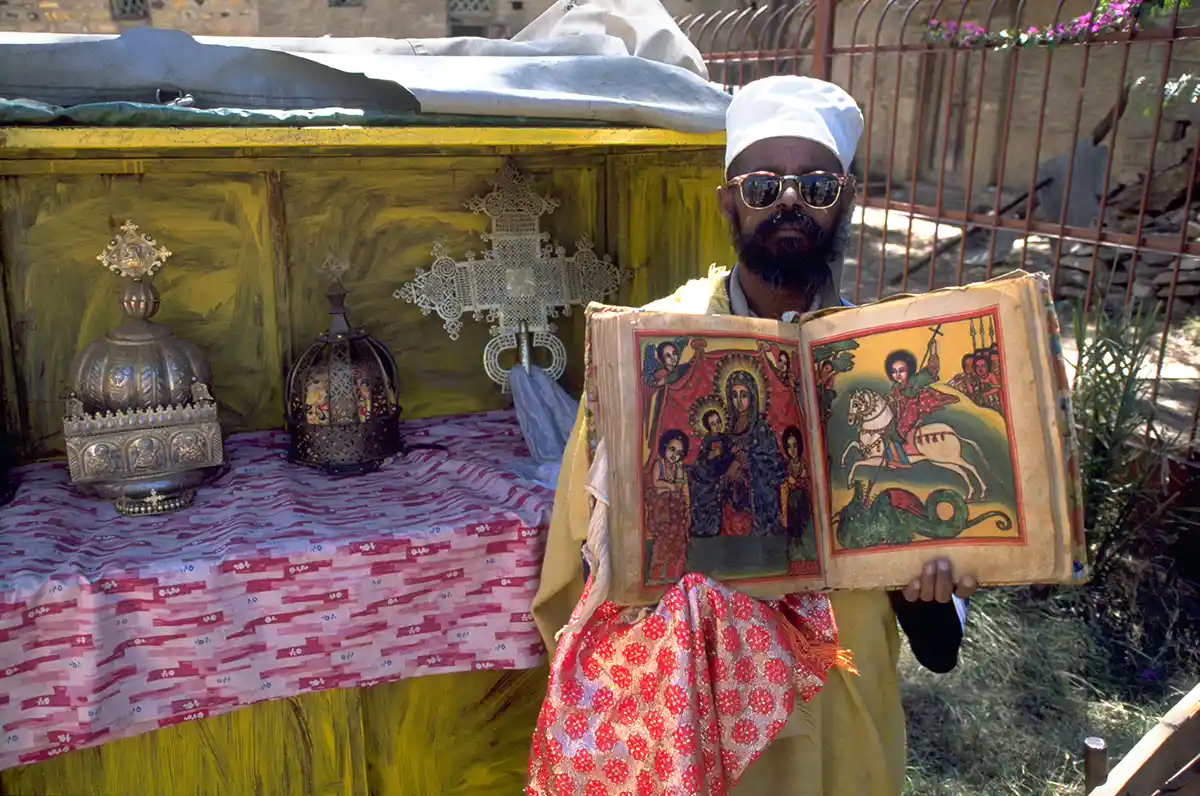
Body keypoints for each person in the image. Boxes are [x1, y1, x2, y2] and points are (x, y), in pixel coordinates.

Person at [531, 75, 977, 796]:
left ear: (847, 200)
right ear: (728, 201)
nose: (791, 202)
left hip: (843, 703)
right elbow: (586, 566)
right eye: (765, 185)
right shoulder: (648, 353)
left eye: (817, 186)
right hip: (698, 713)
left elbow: (938, 639)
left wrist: (928, 594)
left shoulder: (880, 366)